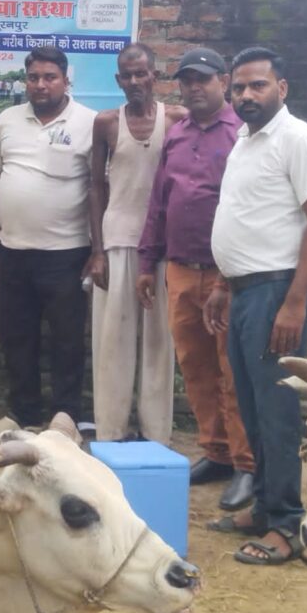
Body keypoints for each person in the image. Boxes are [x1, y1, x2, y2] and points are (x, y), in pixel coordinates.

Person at [205, 47, 307, 566]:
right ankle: (263, 506)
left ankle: (286, 523)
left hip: (276, 292)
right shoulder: (244, 140)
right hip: (244, 291)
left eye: (257, 85)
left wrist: (294, 302)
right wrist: (223, 282)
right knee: (252, 406)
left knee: (276, 412)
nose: (245, 95)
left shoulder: (297, 138)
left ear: (282, 88)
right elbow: (241, 214)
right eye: (238, 87)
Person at [136, 48, 255, 510]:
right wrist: (147, 263)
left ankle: (246, 464)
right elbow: (159, 203)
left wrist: (227, 276)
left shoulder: (242, 134)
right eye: (187, 81)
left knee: (233, 370)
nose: (194, 88)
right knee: (196, 367)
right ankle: (217, 452)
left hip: (229, 273)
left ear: (223, 82)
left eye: (203, 79)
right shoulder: (177, 135)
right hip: (181, 270)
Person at [0, 46, 94, 438]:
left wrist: (99, 250)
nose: (40, 84)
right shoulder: (8, 120)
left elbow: (101, 189)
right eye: (33, 77)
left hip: (67, 253)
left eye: (50, 77)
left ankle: (66, 418)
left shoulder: (89, 122)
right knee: (16, 336)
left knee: (67, 340)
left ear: (66, 80)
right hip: (14, 251)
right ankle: (22, 413)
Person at [89, 43, 186, 444]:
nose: (134, 81)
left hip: (162, 245)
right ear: (118, 80)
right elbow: (95, 187)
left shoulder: (176, 119)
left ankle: (156, 435)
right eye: (127, 75)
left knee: (159, 341)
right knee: (112, 341)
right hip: (118, 240)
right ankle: (111, 432)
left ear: (154, 76)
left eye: (141, 73)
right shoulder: (106, 123)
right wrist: (97, 251)